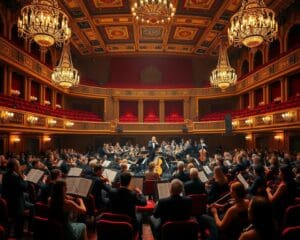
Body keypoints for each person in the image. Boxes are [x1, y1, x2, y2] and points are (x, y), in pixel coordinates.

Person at [108, 172, 147, 239]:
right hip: (129, 222)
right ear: (130, 181)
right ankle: (139, 237)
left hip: (114, 219)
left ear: (120, 181)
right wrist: (141, 193)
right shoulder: (132, 194)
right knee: (139, 216)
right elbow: (144, 203)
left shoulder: (112, 192)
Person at [2, 159, 28, 238]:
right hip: (16, 205)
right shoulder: (15, 176)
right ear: (14, 166)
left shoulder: (5, 174)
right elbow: (24, 187)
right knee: (19, 224)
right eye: (18, 164)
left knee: (13, 223)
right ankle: (18, 236)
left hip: (9, 201)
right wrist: (24, 179)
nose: (19, 166)